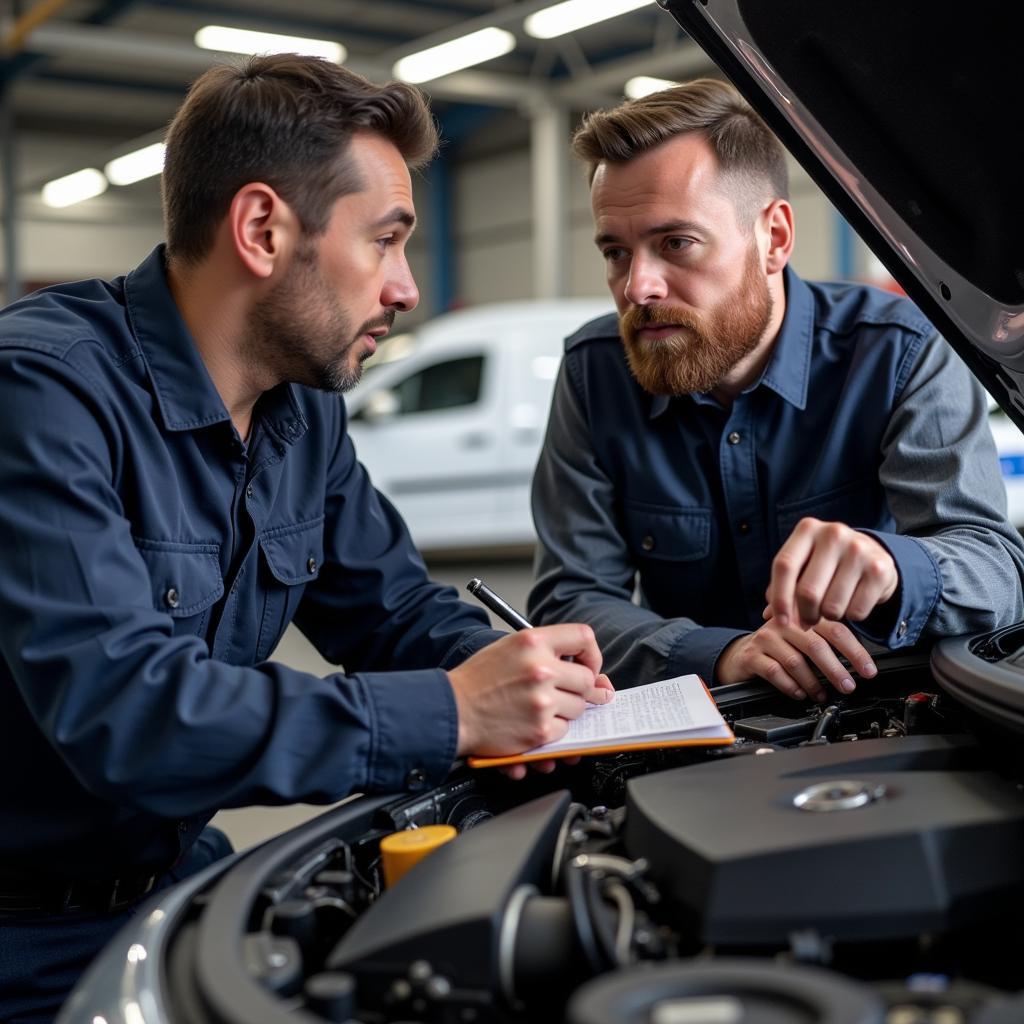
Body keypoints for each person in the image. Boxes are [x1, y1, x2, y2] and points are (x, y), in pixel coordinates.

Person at [0, 55, 611, 1022]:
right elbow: (129, 711)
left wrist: (530, 680)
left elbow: (396, 613)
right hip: (23, 938)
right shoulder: (42, 394)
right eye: (386, 241)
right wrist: (452, 713)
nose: (407, 289)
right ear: (261, 230)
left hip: (179, 883)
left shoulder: (301, 411)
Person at [528, 78, 1024, 702]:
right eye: (616, 253)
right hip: (692, 724)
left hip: (872, 713)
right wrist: (724, 653)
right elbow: (571, 598)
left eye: (675, 243)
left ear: (775, 238)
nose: (638, 288)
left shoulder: (900, 353)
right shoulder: (593, 374)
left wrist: (897, 568)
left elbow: (997, 573)